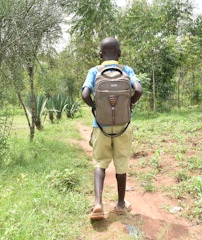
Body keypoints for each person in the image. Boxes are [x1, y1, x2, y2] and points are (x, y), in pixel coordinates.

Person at [81, 37, 143, 220]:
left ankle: (98, 204)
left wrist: (95, 107)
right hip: (123, 126)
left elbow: (85, 93)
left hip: (100, 126)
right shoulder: (127, 70)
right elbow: (138, 90)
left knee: (100, 163)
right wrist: (129, 105)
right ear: (119, 54)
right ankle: (121, 204)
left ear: (100, 55)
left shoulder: (94, 71)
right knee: (121, 162)